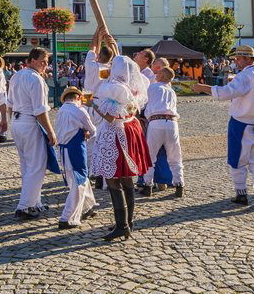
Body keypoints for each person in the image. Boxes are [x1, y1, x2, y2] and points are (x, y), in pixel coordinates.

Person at [195, 45, 254, 208]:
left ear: (247, 59)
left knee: (237, 159)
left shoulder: (245, 75)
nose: (236, 62)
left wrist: (203, 88)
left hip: (241, 123)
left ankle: (241, 193)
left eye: (238, 59)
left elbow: (227, 92)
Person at [87, 53, 151, 241]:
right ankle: (127, 222)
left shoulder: (113, 87)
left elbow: (110, 117)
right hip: (130, 129)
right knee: (127, 179)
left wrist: (93, 104)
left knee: (114, 179)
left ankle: (122, 225)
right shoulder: (133, 86)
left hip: (116, 133)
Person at [8, 47, 57, 219]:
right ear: (32, 60)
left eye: (47, 61)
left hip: (17, 121)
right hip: (29, 122)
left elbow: (10, 103)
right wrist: (51, 132)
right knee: (37, 165)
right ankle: (25, 206)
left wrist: (12, 122)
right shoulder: (36, 79)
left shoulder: (16, 75)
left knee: (27, 164)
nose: (46, 65)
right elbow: (40, 110)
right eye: (43, 61)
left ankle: (35, 201)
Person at [54, 87, 96, 229]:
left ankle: (87, 207)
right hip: (75, 148)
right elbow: (93, 130)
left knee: (79, 179)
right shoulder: (79, 110)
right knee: (80, 182)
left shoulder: (60, 111)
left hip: (63, 149)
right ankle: (66, 217)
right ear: (78, 98)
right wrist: (86, 133)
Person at [144, 66, 184, 198]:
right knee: (175, 156)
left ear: (162, 76)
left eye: (159, 72)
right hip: (172, 123)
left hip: (156, 122)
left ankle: (147, 184)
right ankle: (179, 184)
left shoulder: (153, 87)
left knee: (150, 156)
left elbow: (143, 100)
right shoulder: (171, 91)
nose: (156, 73)